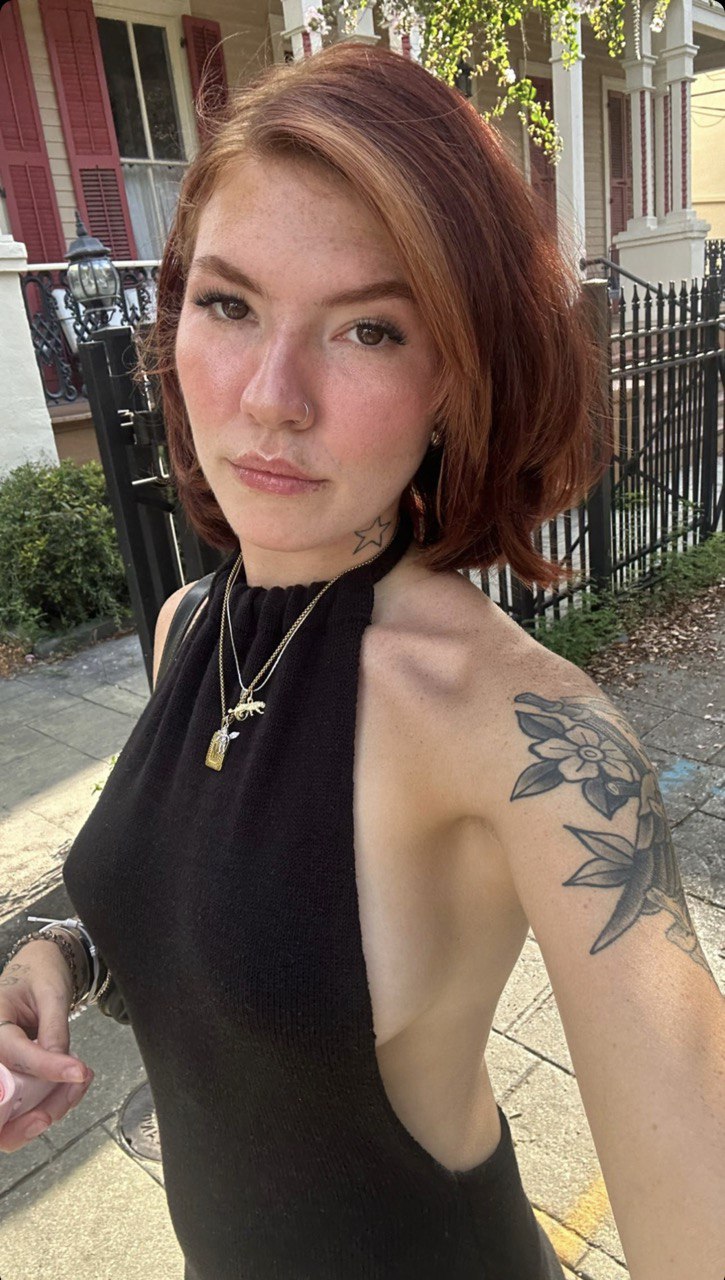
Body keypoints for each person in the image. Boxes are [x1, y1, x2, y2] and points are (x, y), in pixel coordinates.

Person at [1, 40, 723, 1280]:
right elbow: (225, 917)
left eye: (369, 329)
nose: (270, 395)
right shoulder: (191, 626)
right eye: (230, 305)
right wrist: (62, 952)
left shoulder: (521, 732)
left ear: (454, 377)